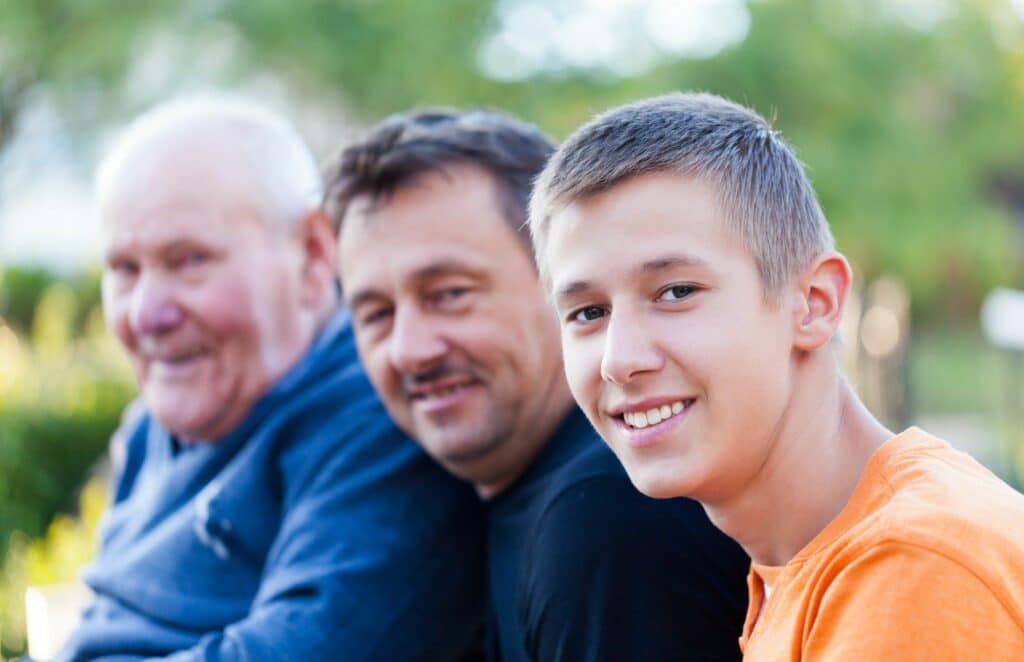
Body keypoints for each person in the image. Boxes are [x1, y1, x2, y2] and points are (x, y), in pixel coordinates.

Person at [528, 92, 1024, 660]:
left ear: (813, 304)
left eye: (676, 292)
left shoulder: (914, 570)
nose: (620, 358)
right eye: (588, 312)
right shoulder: (807, 566)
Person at [59, 97, 486, 661]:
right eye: (124, 269)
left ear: (312, 255)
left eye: (189, 260)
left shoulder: (379, 414)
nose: (145, 313)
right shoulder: (156, 421)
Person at [326, 109, 749, 662]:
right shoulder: (462, 498)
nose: (409, 349)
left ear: (563, 286)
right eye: (376, 314)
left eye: (450, 294)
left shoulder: (612, 511)